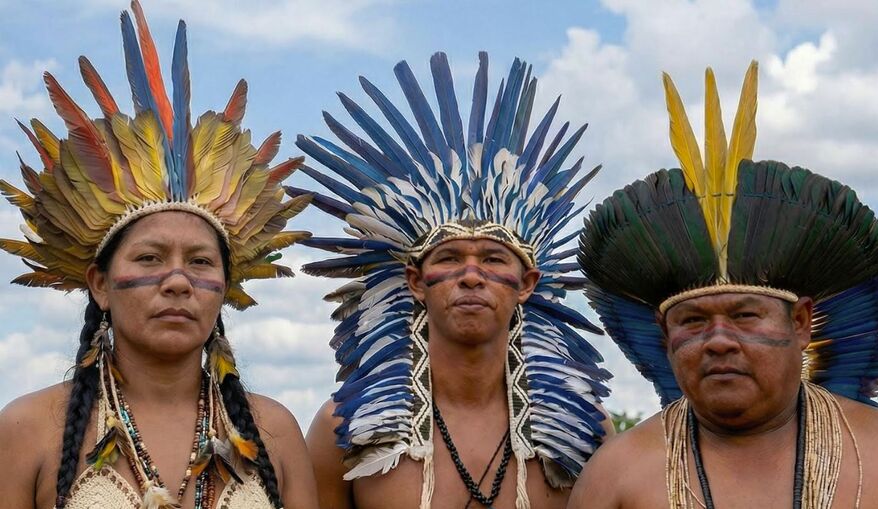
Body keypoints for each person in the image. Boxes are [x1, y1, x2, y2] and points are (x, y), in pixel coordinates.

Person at [0, 2, 319, 508]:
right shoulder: (28, 429)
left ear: (225, 286)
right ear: (100, 283)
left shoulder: (274, 430)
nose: (177, 280)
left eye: (200, 261)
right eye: (149, 259)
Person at [570, 61, 878, 508]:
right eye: (693, 321)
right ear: (664, 336)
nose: (718, 341)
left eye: (744, 315)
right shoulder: (617, 477)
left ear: (800, 322)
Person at [288, 52, 614, 508]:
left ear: (528, 284)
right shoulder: (344, 427)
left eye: (494, 259)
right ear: (416, 281)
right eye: (450, 257)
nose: (471, 276)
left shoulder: (581, 429)